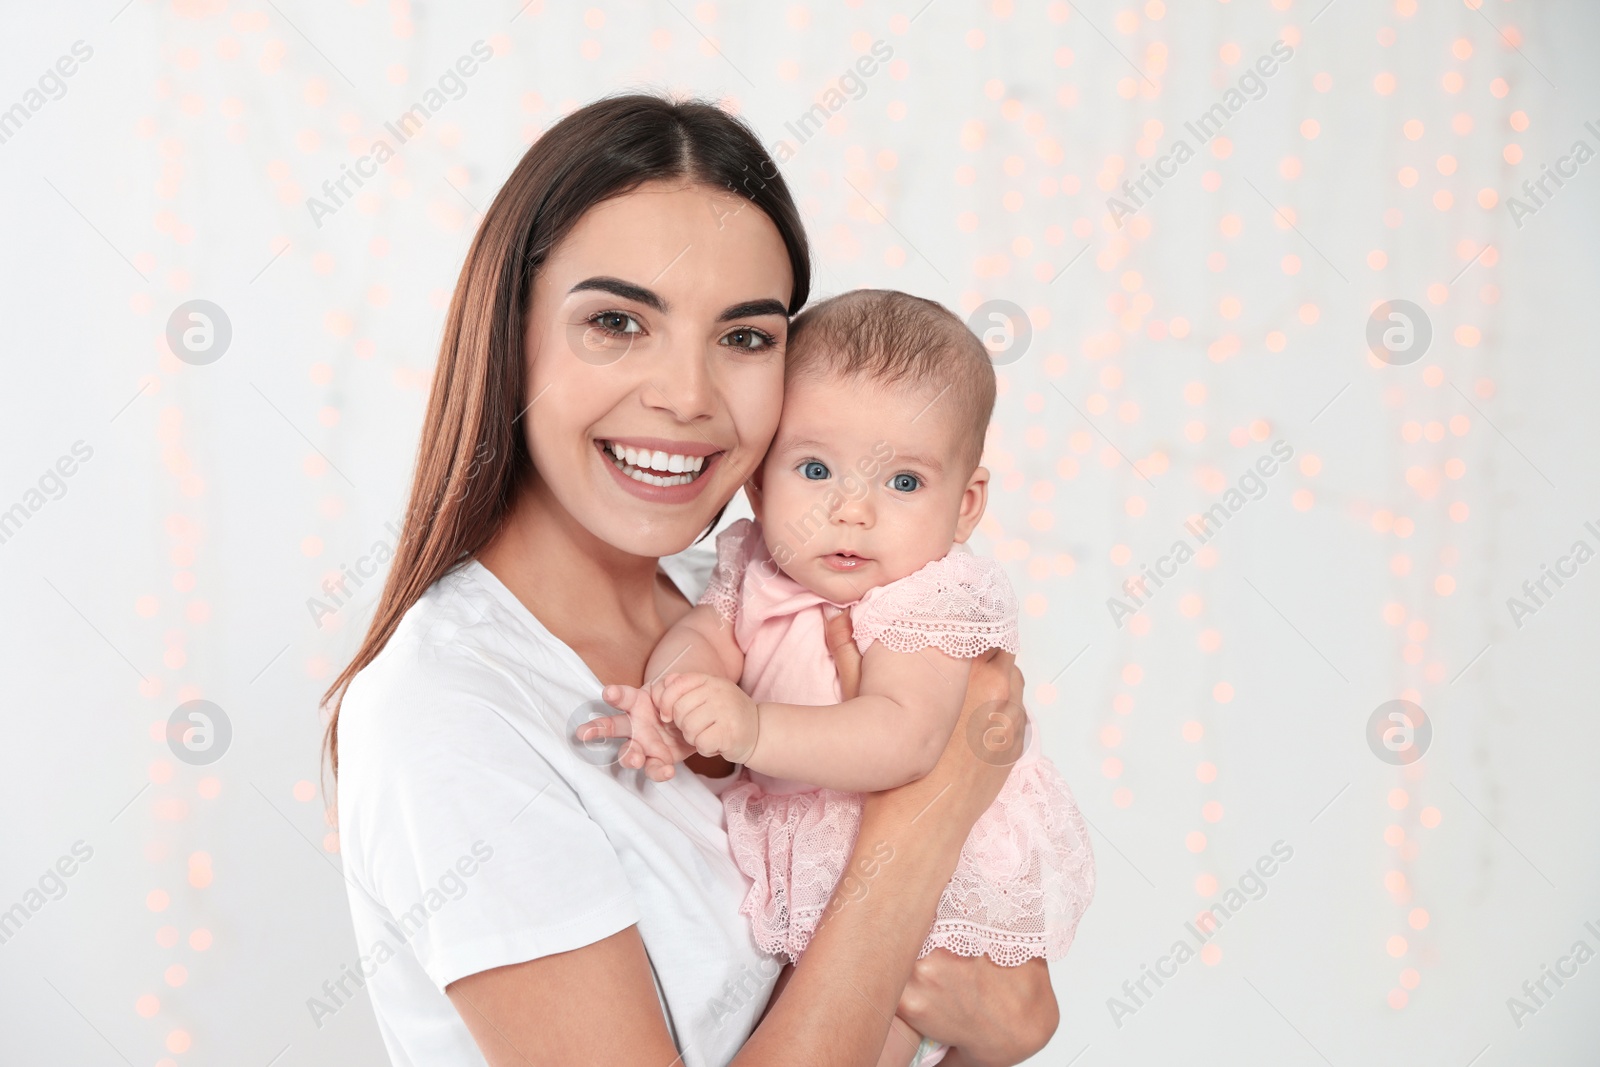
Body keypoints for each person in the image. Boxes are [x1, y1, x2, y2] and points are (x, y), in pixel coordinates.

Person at [322, 93, 1060, 1066]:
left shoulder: (756, 600)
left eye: (745, 336)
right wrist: (927, 810)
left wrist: (999, 1040)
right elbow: (908, 841)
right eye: (618, 321)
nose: (686, 394)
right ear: (515, 334)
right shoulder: (449, 711)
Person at [588, 289, 1094, 1066]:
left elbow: (905, 738)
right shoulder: (753, 565)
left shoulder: (927, 599)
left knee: (879, 1027)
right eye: (817, 468)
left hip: (930, 881)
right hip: (830, 857)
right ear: (759, 486)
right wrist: (673, 697)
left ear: (965, 507)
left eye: (902, 483)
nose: (851, 510)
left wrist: (753, 728)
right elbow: (704, 636)